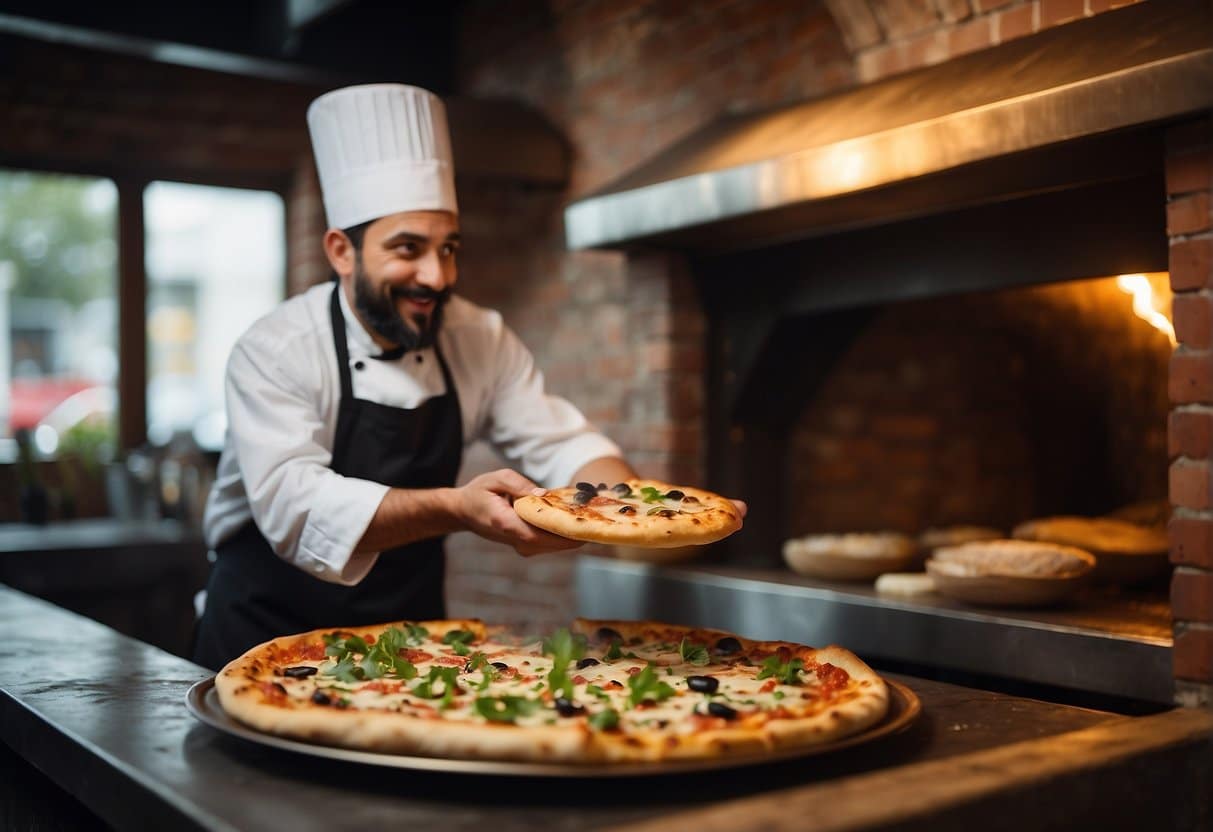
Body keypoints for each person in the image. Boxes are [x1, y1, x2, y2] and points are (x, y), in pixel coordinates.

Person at [191, 84, 637, 670]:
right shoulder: (275, 349)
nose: (437, 275)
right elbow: (296, 509)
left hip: (408, 656)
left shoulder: (479, 337)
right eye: (409, 248)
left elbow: (564, 444)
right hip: (265, 641)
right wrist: (456, 508)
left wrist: (635, 507)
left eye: (449, 248)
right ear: (341, 251)